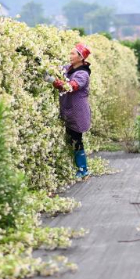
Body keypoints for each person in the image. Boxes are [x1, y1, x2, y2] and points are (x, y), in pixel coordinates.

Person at [51, 43, 92, 179]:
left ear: (81, 57)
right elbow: (57, 70)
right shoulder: (68, 68)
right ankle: (77, 167)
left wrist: (54, 82)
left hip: (77, 112)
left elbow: (71, 86)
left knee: (76, 139)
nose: (70, 56)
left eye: (73, 54)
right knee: (71, 139)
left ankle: (83, 169)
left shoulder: (82, 74)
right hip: (68, 109)